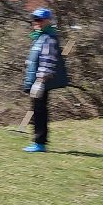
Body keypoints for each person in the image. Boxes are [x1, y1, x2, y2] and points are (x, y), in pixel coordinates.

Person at [22, 8, 66, 152]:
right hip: (36, 80)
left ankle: (40, 143)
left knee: (40, 111)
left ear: (48, 21)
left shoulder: (48, 38)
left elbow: (47, 61)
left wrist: (40, 81)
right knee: (37, 110)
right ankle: (38, 141)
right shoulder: (40, 37)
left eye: (40, 20)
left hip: (40, 81)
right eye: (35, 19)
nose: (37, 22)